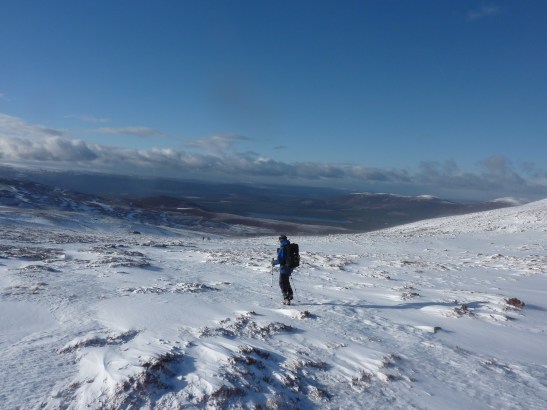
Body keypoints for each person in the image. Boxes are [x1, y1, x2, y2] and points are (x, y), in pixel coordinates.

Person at [271, 234, 294, 305]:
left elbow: (280, 260)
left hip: (284, 268)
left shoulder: (283, 247)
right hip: (290, 267)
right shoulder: (290, 246)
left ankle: (286, 298)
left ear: (281, 240)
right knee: (286, 281)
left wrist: (274, 262)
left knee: (282, 283)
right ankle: (290, 294)